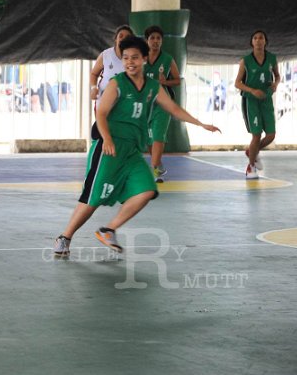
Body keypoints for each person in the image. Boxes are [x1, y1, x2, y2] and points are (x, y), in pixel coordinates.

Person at [53, 36, 219, 257]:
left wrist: (200, 123)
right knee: (93, 198)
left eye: (134, 57)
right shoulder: (117, 83)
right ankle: (65, 237)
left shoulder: (152, 86)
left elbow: (173, 108)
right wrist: (108, 140)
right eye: (125, 58)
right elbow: (101, 114)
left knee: (147, 190)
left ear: (144, 59)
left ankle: (108, 229)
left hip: (131, 149)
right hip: (108, 148)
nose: (129, 62)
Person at [234, 30, 280, 179]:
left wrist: (275, 84)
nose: (259, 40)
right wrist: (252, 90)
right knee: (256, 135)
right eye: (255, 38)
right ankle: (251, 166)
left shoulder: (272, 58)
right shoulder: (245, 61)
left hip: (266, 99)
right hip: (251, 100)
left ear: (265, 41)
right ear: (251, 42)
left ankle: (251, 152)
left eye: (261, 38)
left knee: (271, 135)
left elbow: (277, 75)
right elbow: (237, 83)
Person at [143, 25, 181, 183]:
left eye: (158, 38)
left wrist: (166, 81)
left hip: (162, 103)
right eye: (152, 38)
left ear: (162, 41)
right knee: (150, 139)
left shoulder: (167, 59)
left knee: (158, 136)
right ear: (147, 40)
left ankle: (154, 172)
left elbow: (177, 80)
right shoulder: (140, 58)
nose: (155, 41)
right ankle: (157, 164)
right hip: (144, 103)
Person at [89, 24, 135, 102]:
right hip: (104, 102)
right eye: (121, 36)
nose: (123, 39)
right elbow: (94, 74)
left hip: (124, 104)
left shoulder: (135, 59)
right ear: (116, 39)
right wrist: (94, 88)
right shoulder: (105, 55)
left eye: (127, 37)